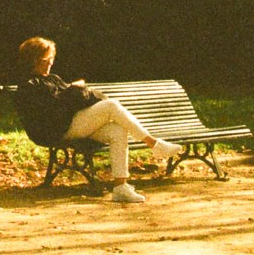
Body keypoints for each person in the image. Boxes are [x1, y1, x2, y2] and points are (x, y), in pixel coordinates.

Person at [12, 36, 182, 204]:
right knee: (111, 106)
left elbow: (73, 100)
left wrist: (77, 91)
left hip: (72, 123)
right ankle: (154, 144)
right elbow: (57, 108)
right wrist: (75, 90)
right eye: (47, 58)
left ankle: (120, 187)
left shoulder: (52, 78)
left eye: (52, 58)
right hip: (57, 130)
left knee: (117, 130)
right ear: (34, 59)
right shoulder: (29, 85)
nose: (50, 62)